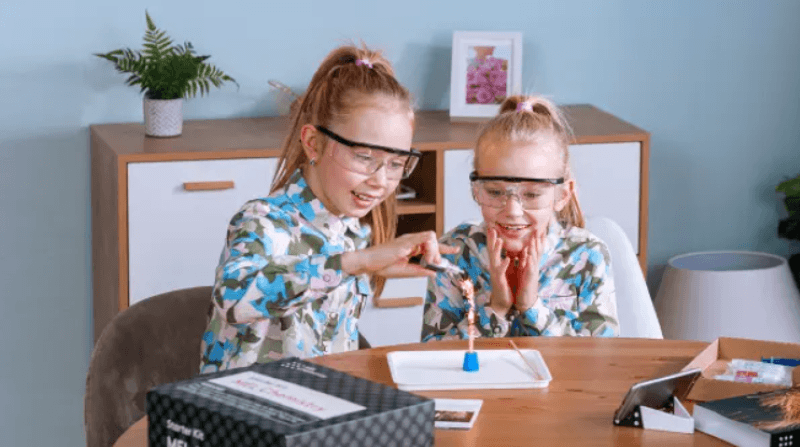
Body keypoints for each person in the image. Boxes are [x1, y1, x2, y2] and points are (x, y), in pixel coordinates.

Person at [199, 44, 454, 373]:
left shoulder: (353, 232)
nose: (381, 181)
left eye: (396, 164)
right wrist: (356, 263)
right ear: (313, 143)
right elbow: (233, 299)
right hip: (244, 416)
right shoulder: (262, 222)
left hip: (319, 410)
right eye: (364, 157)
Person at [421, 95, 619, 341]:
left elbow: (601, 360)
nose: (512, 210)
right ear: (476, 190)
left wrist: (532, 308)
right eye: (495, 192)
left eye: (532, 195)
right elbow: (431, 356)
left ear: (562, 194)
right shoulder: (455, 253)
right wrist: (496, 309)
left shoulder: (588, 257)